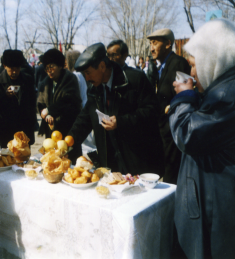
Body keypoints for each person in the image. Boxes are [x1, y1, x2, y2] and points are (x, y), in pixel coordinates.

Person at [169, 19, 235, 258]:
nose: (193, 73)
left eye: (195, 65)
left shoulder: (227, 95)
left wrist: (184, 97)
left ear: (213, 59)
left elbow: (187, 134)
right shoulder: (223, 87)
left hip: (216, 212)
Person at [68, 43, 164, 175]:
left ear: (102, 66)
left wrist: (121, 122)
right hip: (110, 163)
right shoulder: (94, 90)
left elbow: (152, 111)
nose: (87, 78)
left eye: (88, 73)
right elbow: (84, 120)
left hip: (137, 161)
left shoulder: (135, 80)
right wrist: (67, 142)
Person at [147, 28, 190, 184]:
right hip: (163, 132)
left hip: (173, 132)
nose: (151, 48)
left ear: (167, 44)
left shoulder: (178, 63)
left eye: (155, 43)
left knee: (172, 178)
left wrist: (171, 106)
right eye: (150, 43)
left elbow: (186, 96)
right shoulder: (161, 66)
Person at [37, 49, 82, 164]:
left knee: (70, 162)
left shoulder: (70, 79)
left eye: (52, 67)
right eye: (46, 68)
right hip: (51, 129)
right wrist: (45, 114)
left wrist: (50, 110)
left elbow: (69, 101)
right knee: (53, 162)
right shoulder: (45, 82)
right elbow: (40, 103)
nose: (49, 71)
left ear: (60, 65)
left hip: (68, 127)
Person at [0, 49, 36, 147]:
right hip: (6, 130)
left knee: (24, 159)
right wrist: (5, 95)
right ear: (4, 66)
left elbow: (32, 103)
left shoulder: (28, 79)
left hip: (24, 129)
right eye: (11, 68)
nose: (14, 72)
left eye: (17, 68)